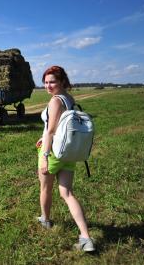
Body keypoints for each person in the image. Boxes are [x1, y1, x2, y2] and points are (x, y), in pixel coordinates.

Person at [36, 65, 95, 252]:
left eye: (52, 81)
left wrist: (45, 156)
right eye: (45, 82)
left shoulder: (55, 101)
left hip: (53, 152)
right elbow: (61, 125)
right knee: (67, 194)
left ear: (62, 81)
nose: (48, 86)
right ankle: (86, 238)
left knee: (45, 188)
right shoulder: (69, 98)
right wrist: (43, 135)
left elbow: (52, 130)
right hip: (68, 152)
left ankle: (45, 220)